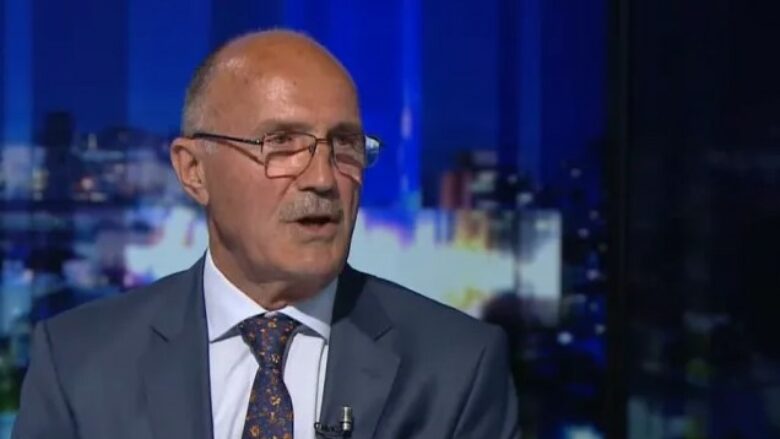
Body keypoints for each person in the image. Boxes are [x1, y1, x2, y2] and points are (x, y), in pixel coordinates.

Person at [13, 30, 519, 439]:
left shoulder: (456, 367)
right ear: (193, 170)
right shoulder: (78, 361)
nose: (322, 178)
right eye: (281, 144)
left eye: (344, 145)